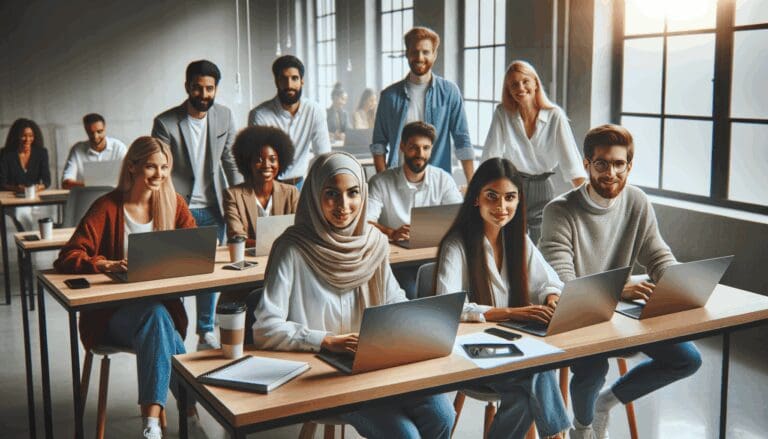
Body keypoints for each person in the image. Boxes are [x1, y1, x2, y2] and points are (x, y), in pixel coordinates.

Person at [252, 152, 455, 439]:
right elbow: (265, 328)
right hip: (326, 372)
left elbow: (393, 301)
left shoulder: (374, 243)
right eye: (331, 194)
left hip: (377, 362)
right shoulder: (291, 248)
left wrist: (416, 325)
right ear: (314, 195)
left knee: (443, 416)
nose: (344, 205)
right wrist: (326, 340)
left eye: (353, 193)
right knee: (405, 435)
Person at [539, 124, 702, 439]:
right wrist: (618, 291)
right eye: (601, 164)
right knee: (593, 368)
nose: (610, 173)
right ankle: (582, 429)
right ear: (587, 164)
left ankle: (605, 403)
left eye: (618, 164)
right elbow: (564, 282)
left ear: (629, 166)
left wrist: (680, 281)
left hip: (622, 314)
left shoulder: (637, 201)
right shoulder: (559, 211)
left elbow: (657, 255)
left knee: (687, 359)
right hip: (579, 316)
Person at [54, 137, 197, 439]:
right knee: (158, 320)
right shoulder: (107, 206)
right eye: (151, 167)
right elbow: (68, 255)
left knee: (158, 320)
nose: (159, 174)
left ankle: (155, 424)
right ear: (132, 167)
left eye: (164, 168)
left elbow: (195, 248)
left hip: (159, 315)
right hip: (109, 316)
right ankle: (188, 412)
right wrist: (104, 264)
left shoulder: (174, 203)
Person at [434, 158, 569, 439]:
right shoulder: (456, 244)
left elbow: (549, 280)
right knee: (539, 366)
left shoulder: (518, 239)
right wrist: (511, 313)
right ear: (476, 198)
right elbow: (449, 308)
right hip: (470, 352)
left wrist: (552, 297)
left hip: (513, 347)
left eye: (510, 197)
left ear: (519, 200)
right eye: (492, 197)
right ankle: (558, 436)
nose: (501, 207)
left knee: (523, 398)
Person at [152, 59, 242, 351]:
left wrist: (242, 201)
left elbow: (230, 161)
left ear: (216, 89)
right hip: (178, 209)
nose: (204, 94)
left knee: (209, 274)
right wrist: (164, 212)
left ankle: (205, 332)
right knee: (175, 274)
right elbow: (160, 172)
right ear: (187, 86)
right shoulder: (165, 122)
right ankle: (175, 331)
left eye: (209, 88)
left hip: (214, 209)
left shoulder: (224, 116)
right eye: (198, 88)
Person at [481, 61, 586, 243]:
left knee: (541, 244)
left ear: (535, 83)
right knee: (510, 244)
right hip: (511, 186)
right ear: (508, 90)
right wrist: (479, 192)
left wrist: (587, 204)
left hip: (542, 188)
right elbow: (490, 157)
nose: (520, 88)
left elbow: (572, 164)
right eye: (514, 84)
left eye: (525, 81)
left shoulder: (554, 116)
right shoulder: (502, 113)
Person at [367, 121, 462, 297]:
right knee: (411, 293)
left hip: (435, 256)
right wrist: (391, 232)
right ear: (402, 147)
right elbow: (365, 223)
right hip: (398, 262)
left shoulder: (443, 179)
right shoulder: (380, 182)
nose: (420, 154)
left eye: (426, 148)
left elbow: (460, 217)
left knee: (452, 291)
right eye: (414, 147)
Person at [371, 27, 474, 181]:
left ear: (434, 54)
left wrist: (473, 184)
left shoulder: (450, 92)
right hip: (398, 181)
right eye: (414, 52)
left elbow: (462, 140)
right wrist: (383, 182)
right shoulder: (389, 96)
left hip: (437, 182)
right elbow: (379, 144)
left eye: (426, 52)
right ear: (407, 54)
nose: (420, 57)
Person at [249, 55, 331, 188]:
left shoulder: (315, 111)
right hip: (269, 185)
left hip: (301, 185)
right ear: (276, 81)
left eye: (294, 78)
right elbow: (258, 161)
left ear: (302, 81)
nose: (289, 85)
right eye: (283, 79)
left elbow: (323, 155)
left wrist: (314, 186)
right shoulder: (259, 115)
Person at [223, 125, 299, 247]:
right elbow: (237, 237)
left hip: (283, 255)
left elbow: (299, 232)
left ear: (280, 162)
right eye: (259, 160)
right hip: (249, 257)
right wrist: (274, 245)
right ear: (248, 163)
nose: (266, 165)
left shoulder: (291, 193)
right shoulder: (233, 195)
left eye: (272, 159)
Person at [0, 118, 52, 230]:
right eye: (23, 136)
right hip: (13, 198)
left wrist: (37, 188)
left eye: (31, 136)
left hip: (34, 197)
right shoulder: (6, 154)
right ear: (16, 136)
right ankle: (28, 238)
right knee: (21, 213)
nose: (27, 139)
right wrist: (17, 189)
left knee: (41, 219)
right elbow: (2, 183)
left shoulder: (41, 153)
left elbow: (47, 181)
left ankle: (27, 238)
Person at [61, 113, 127, 188]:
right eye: (91, 133)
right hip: (86, 195)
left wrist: (92, 185)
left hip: (113, 195)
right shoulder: (77, 150)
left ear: (105, 128)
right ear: (86, 130)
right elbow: (66, 183)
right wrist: (95, 186)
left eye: (99, 131)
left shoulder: (119, 148)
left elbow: (129, 178)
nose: (96, 137)